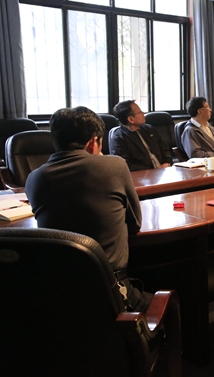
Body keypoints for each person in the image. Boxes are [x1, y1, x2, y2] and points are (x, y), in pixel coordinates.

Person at [25, 106, 151, 312]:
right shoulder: (115, 166)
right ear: (93, 142)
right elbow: (134, 224)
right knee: (171, 303)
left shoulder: (34, 178)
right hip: (111, 291)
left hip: (59, 293)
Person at [109, 100, 173, 171]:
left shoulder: (149, 129)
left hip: (163, 170)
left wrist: (167, 162)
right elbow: (126, 165)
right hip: (143, 174)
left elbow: (164, 148)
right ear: (131, 119)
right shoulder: (119, 138)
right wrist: (152, 171)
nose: (143, 113)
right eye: (140, 112)